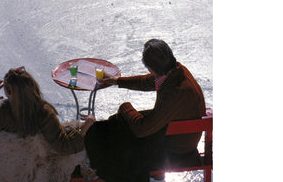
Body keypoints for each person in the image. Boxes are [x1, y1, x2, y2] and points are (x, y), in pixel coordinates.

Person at [84, 39, 206, 182]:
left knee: (121, 131)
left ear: (150, 68)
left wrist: (125, 107)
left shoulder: (176, 92)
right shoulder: (176, 71)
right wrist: (117, 81)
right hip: (177, 134)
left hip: (176, 148)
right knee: (121, 123)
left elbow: (142, 129)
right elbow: (149, 81)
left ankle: (98, 165)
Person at [0, 66, 96, 154]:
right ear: (33, 87)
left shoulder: (3, 114)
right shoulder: (44, 113)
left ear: (7, 92)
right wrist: (88, 124)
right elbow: (65, 147)